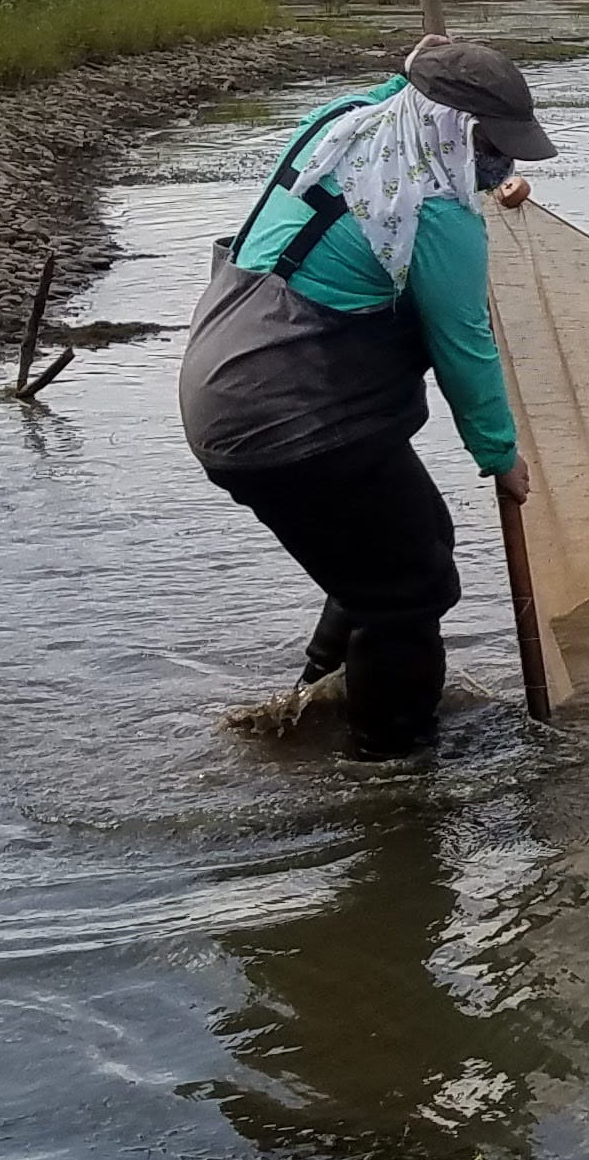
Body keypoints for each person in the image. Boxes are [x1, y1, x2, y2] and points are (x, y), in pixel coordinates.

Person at [179, 36, 558, 749]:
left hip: (220, 376)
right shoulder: (438, 221)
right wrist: (500, 455)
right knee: (410, 592)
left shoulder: (340, 123)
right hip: (296, 420)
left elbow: (403, 108)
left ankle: (314, 699)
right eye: (492, 149)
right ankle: (391, 778)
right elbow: (464, 350)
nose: (501, 165)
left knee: (415, 545)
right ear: (449, 130)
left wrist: (465, 160)